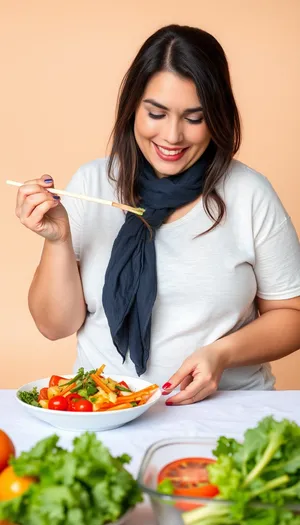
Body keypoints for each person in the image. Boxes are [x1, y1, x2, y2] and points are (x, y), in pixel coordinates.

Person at [15, 24, 300, 406]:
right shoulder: (92, 183)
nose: (172, 136)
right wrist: (58, 239)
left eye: (194, 118)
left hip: (227, 410)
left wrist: (221, 354)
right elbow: (55, 326)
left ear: (217, 117)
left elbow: (292, 315)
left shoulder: (249, 193)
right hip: (104, 411)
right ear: (133, 105)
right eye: (157, 113)